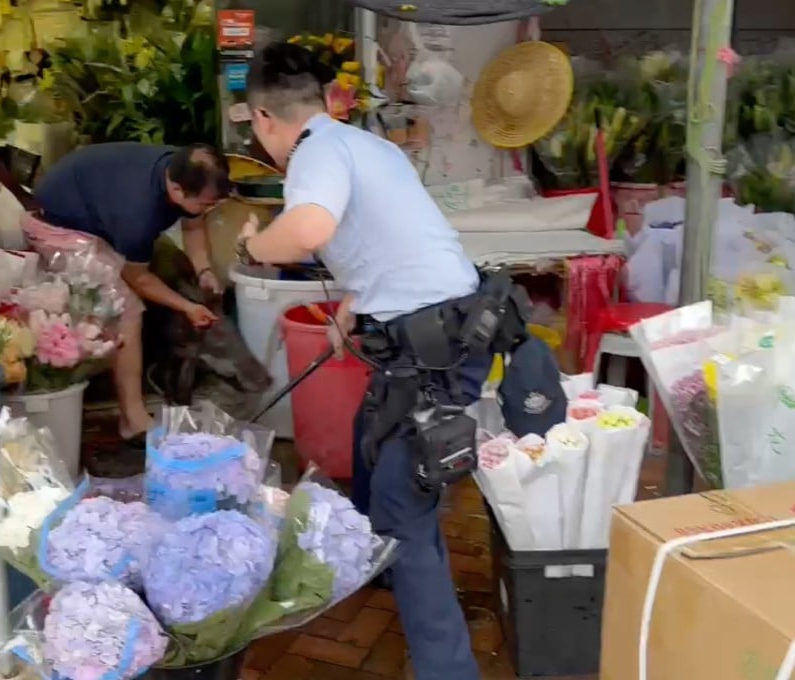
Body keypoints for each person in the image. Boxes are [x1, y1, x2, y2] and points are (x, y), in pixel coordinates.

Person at [237, 43, 565, 680]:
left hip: (433, 349)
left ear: (262, 119)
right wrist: (350, 309)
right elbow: (398, 243)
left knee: (402, 506)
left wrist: (255, 245)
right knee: (371, 435)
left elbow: (306, 231)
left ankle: (448, 668)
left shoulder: (315, 151)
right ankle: (371, 561)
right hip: (452, 326)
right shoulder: (367, 146)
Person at [32, 143, 232, 442]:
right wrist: (187, 307)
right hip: (55, 223)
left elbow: (193, 228)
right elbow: (138, 278)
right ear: (176, 191)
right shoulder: (138, 212)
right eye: (205, 205)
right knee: (124, 306)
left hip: (98, 211)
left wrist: (203, 271)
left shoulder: (186, 170)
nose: (208, 211)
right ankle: (133, 418)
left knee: (169, 267)